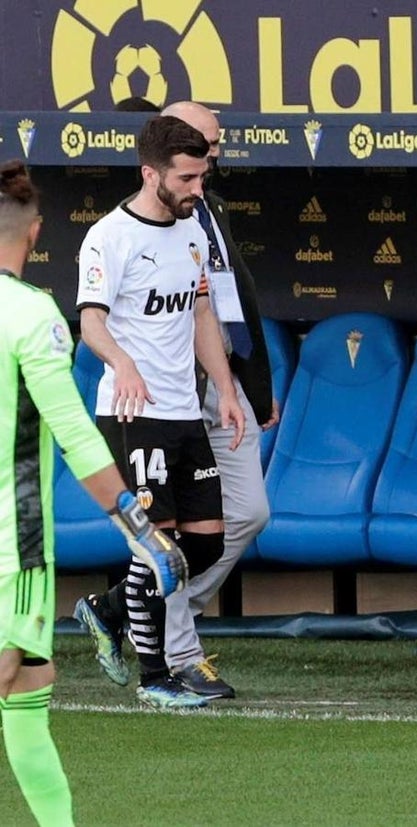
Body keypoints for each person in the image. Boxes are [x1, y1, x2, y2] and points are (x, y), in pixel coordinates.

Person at [0, 159, 187, 826]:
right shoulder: (31, 315)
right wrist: (140, 526)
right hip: (10, 555)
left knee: (27, 690)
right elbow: (77, 434)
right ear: (37, 232)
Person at [71, 115, 245, 710]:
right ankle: (155, 679)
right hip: (131, 413)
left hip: (183, 413)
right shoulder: (109, 237)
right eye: (189, 177)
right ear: (151, 174)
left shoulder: (194, 232)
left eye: (204, 175)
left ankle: (107, 609)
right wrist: (120, 362)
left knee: (207, 545)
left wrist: (223, 388)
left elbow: (199, 313)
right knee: (157, 551)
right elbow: (91, 319)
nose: (200, 187)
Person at [158, 100, 277, 700]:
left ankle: (147, 609)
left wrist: (255, 387)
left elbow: (234, 299)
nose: (214, 157)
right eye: (204, 147)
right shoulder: (141, 225)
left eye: (215, 147)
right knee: (181, 524)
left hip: (223, 384)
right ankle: (179, 648)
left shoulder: (211, 206)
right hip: (172, 392)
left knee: (250, 511)